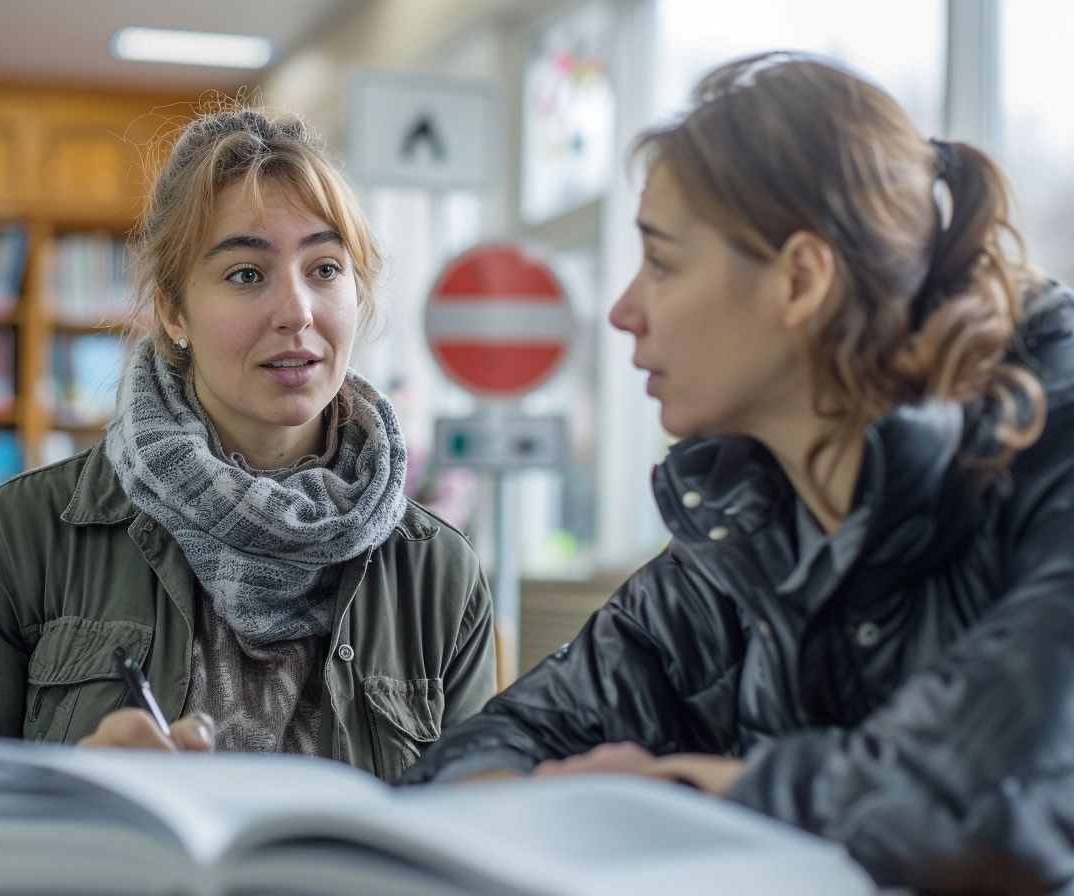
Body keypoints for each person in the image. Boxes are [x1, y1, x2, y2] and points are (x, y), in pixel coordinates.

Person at [402, 52, 1074, 895]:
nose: (623, 311)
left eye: (662, 262)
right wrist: (505, 799)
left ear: (800, 281)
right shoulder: (746, 520)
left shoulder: (1056, 446)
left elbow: (996, 801)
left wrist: (681, 794)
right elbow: (504, 741)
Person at [0, 106, 495, 834]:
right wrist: (63, 810)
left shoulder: (438, 572)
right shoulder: (24, 536)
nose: (297, 311)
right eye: (246, 273)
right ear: (172, 311)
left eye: (325, 269)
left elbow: (478, 847)